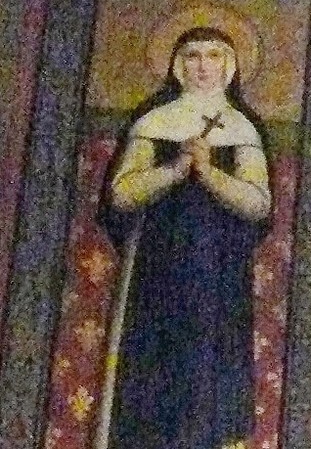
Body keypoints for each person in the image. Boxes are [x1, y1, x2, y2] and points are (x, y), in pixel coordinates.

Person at [99, 26, 271, 449]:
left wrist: (209, 173)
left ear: (229, 68)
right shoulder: (154, 122)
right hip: (157, 270)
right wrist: (174, 171)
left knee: (206, 378)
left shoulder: (242, 129)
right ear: (177, 66)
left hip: (218, 275)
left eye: (214, 56)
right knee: (152, 376)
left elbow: (258, 204)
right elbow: (121, 194)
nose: (203, 66)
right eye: (192, 56)